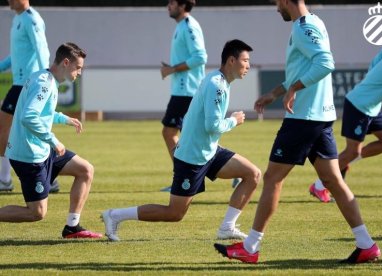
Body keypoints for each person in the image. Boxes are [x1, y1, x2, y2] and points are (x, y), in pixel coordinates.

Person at [214, 0, 380, 264]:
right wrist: (276, 92)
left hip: (304, 118)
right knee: (333, 182)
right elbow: (303, 69)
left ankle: (251, 246)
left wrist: (294, 90)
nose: (275, 6)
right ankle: (366, 244)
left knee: (272, 178)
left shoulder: (304, 28)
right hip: (319, 117)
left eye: (276, 1)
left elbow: (326, 63)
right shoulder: (312, 23)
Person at [102, 39, 260, 243]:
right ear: (231, 60)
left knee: (252, 174)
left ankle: (227, 227)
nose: (248, 65)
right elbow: (212, 126)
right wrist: (233, 120)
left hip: (210, 152)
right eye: (245, 60)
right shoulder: (217, 85)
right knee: (174, 213)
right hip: (191, 157)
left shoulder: (219, 81)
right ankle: (115, 216)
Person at [0, 42, 102, 239]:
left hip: (42, 150)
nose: (79, 73)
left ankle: (72, 227)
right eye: (78, 67)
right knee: (36, 213)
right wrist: (53, 139)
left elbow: (42, 112)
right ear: (66, 62)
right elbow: (29, 117)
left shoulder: (45, 77)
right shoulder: (44, 83)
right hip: (29, 156)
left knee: (85, 170)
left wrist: (63, 119)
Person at [309, 37, 382, 203]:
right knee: (352, 152)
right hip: (359, 106)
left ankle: (347, 160)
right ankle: (319, 185)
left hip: (373, 107)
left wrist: (372, 77)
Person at [0, 0, 60, 193]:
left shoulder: (31, 19)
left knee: (4, 129)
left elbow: (41, 48)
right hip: (20, 84)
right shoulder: (18, 19)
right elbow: (17, 54)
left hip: (26, 84)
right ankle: (49, 177)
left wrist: (46, 77)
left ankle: (5, 180)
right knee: (24, 132)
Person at [159, 0, 207, 192]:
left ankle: (182, 179)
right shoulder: (182, 25)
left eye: (171, 2)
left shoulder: (189, 26)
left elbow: (200, 57)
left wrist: (172, 69)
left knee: (170, 132)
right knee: (197, 137)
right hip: (184, 90)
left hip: (187, 90)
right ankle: (237, 172)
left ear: (182, 5)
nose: (168, 6)